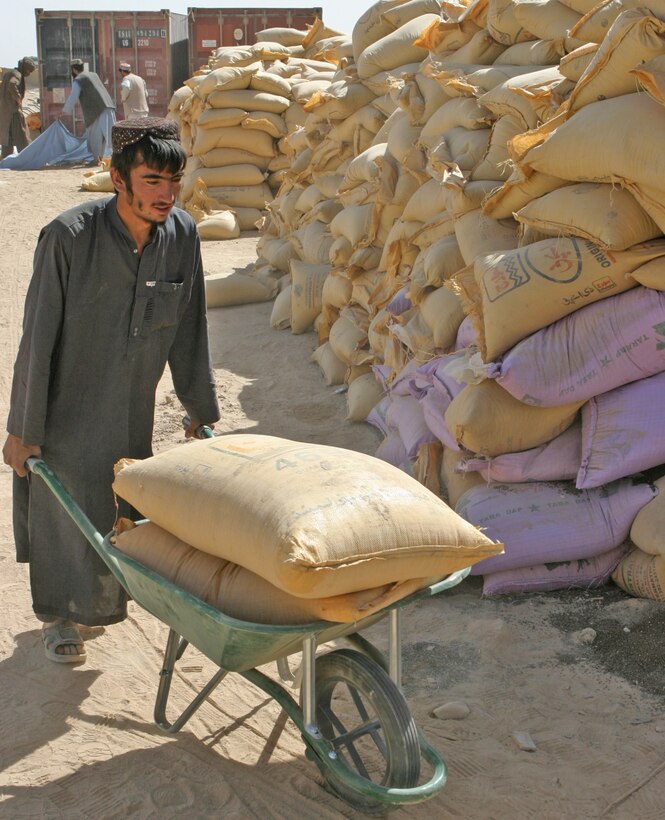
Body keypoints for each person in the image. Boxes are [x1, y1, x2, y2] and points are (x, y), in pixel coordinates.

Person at [3, 117, 221, 664]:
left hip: (132, 403)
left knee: (119, 498)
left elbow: (190, 327)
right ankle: (58, 615)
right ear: (117, 178)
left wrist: (200, 410)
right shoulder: (68, 237)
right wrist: (23, 431)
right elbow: (37, 338)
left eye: (174, 180)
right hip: (65, 402)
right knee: (63, 502)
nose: (166, 194)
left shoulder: (183, 235)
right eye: (152, 180)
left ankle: (98, 602)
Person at [58, 58, 116, 163]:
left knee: (95, 137)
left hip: (95, 111)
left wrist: (63, 111)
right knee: (110, 136)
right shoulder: (94, 75)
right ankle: (109, 160)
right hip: (108, 107)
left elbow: (73, 97)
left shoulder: (79, 79)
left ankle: (96, 160)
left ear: (74, 70)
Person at [0, 57, 37, 159]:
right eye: (29, 71)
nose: (29, 74)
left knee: (7, 138)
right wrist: (18, 98)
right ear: (25, 68)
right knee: (23, 135)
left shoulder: (8, 73)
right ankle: (28, 157)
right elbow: (12, 84)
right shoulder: (17, 74)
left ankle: (6, 159)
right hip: (14, 111)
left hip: (4, 111)